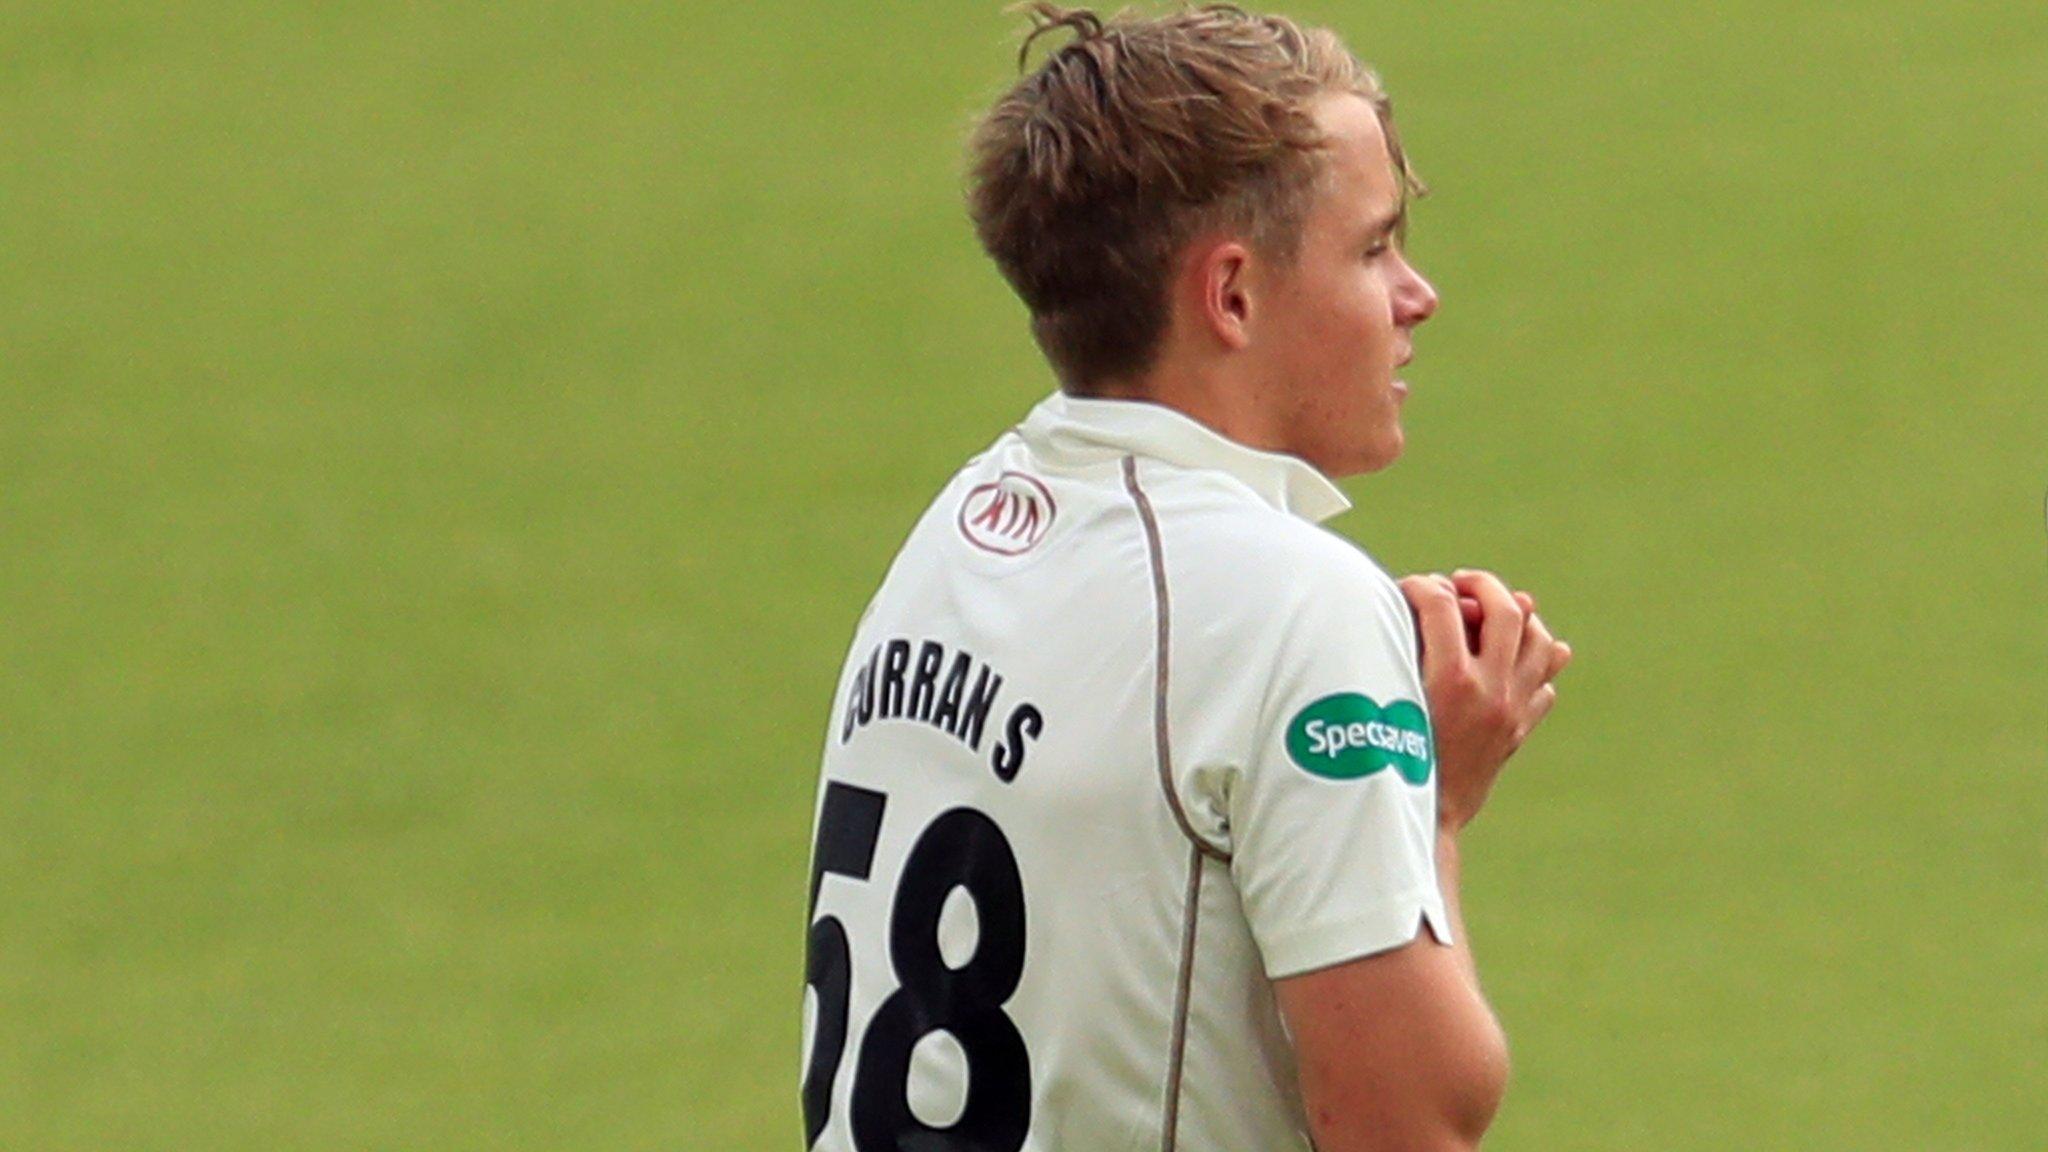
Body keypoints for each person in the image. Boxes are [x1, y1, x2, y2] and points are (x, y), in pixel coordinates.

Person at [799, 4, 1572, 1149]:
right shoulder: (1293, 605)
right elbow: (1407, 1122)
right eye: (1371, 248)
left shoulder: (958, 531)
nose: (1416, 297)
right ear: (1231, 296)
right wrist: (1434, 814)